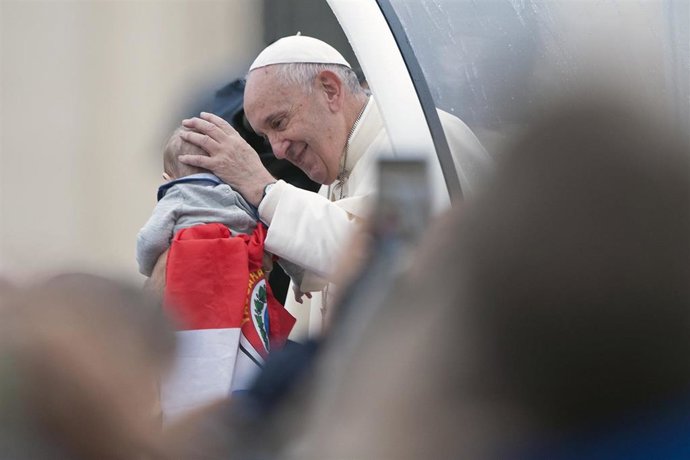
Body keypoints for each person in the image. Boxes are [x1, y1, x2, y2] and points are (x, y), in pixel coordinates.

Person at [176, 35, 491, 338]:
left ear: (330, 89)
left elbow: (388, 262)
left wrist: (264, 188)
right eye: (265, 136)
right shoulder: (335, 175)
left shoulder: (413, 141)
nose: (278, 150)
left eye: (279, 123)